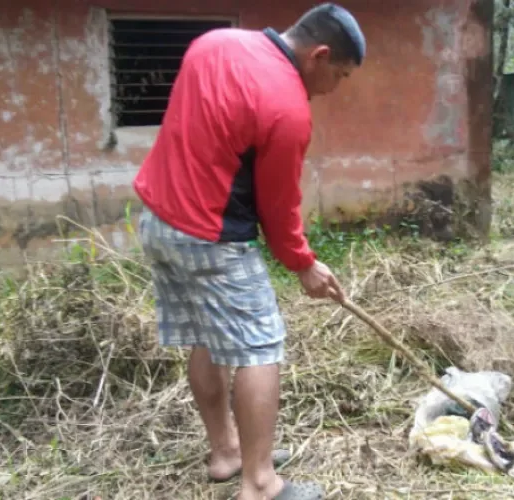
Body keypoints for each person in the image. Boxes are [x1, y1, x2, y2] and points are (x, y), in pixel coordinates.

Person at [133, 3, 366, 499]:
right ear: (319, 55)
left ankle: (227, 453)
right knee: (260, 346)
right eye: (340, 75)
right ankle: (260, 484)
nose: (336, 87)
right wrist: (303, 264)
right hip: (210, 238)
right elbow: (279, 207)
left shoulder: (215, 42)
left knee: (208, 336)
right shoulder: (287, 107)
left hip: (158, 220)